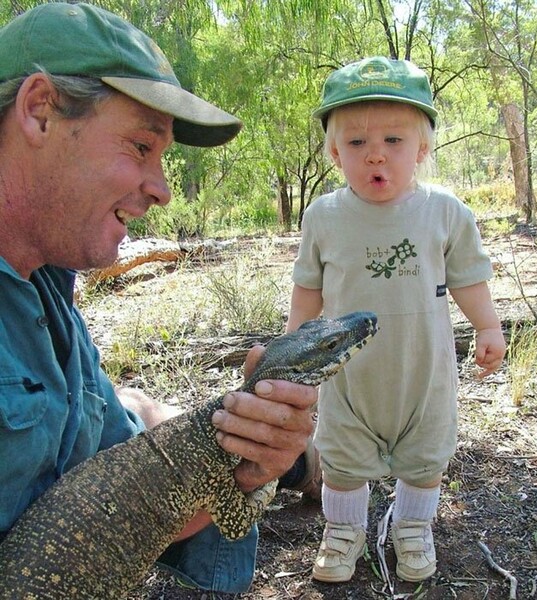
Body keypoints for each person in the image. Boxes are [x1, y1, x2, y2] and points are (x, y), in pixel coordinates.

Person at [0, 2, 319, 594]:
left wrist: (252, 470)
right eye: (141, 147)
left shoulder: (46, 281)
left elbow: (141, 510)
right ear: (40, 111)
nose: (164, 190)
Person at [286, 56, 506, 584]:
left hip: (423, 374)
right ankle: (342, 534)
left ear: (422, 149)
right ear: (335, 152)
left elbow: (468, 277)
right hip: (349, 378)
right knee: (340, 461)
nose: (375, 155)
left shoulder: (445, 212)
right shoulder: (324, 216)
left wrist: (489, 326)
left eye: (394, 141)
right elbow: (308, 287)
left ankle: (413, 527)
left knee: (426, 459)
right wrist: (293, 345)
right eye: (357, 144)